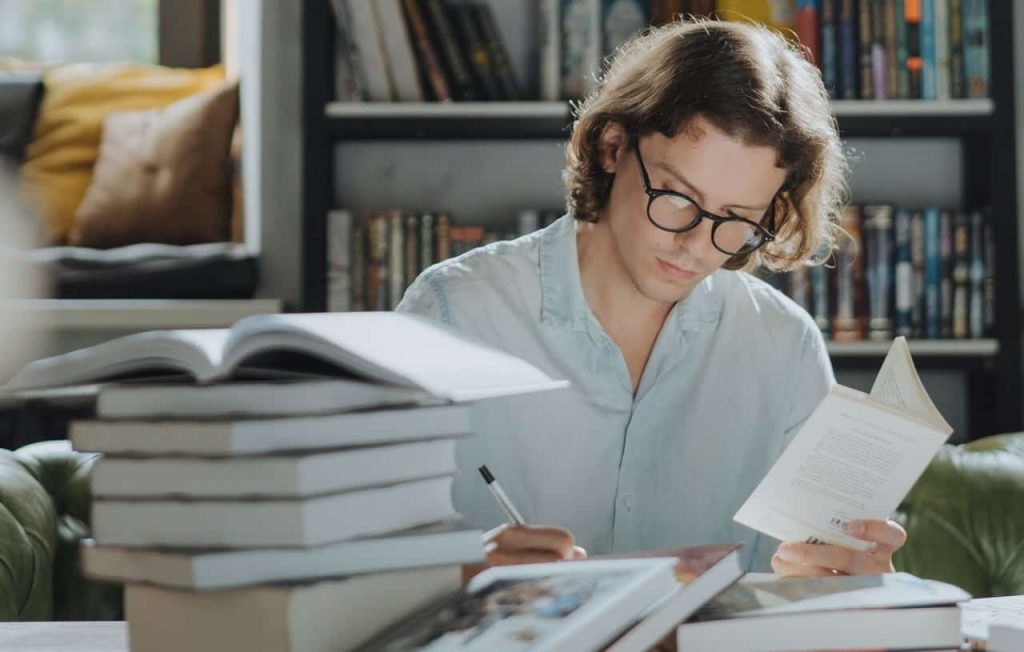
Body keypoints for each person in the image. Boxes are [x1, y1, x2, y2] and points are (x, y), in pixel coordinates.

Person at [397, 19, 907, 577]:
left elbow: (812, 589)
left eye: (736, 220)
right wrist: (456, 570)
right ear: (613, 146)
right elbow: (358, 568)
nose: (693, 244)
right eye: (677, 196)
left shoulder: (782, 346)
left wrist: (851, 580)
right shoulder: (452, 313)